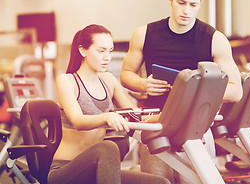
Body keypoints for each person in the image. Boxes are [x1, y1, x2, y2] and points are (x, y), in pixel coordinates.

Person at [120, 0, 243, 183]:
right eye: (181, 2)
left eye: (193, 5)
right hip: (156, 127)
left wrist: (199, 92)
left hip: (196, 130)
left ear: (200, 4)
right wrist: (143, 84)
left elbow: (236, 91)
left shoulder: (215, 39)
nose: (186, 11)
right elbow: (125, 74)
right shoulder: (144, 33)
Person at [49, 24, 170, 184]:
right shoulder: (67, 81)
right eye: (101, 51)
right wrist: (107, 117)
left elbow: (137, 115)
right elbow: (78, 121)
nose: (107, 57)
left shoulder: (108, 80)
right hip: (65, 171)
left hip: (97, 170)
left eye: (110, 51)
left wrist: (165, 117)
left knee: (160, 183)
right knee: (108, 147)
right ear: (83, 50)